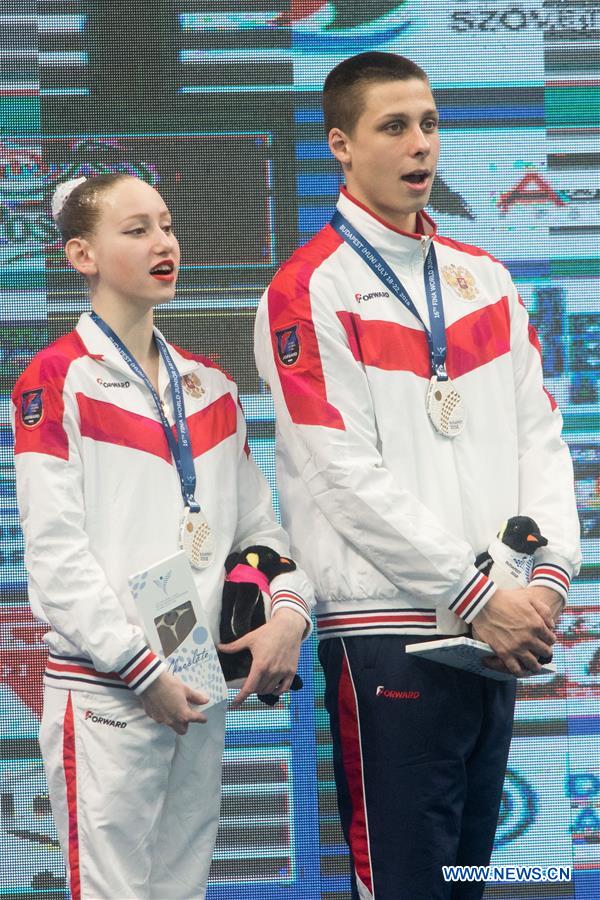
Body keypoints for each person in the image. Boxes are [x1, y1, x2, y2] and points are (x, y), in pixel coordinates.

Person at [254, 52, 581, 899]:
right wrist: (480, 594)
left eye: (430, 124)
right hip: (387, 630)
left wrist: (544, 581)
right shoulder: (307, 289)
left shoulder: (488, 281)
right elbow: (339, 473)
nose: (420, 144)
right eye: (394, 126)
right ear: (340, 145)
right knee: (406, 884)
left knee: (464, 882)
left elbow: (542, 442)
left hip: (496, 631)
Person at [12, 173, 313, 899]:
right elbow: (56, 557)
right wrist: (139, 669)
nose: (164, 243)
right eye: (137, 229)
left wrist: (288, 614)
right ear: (82, 255)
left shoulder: (212, 388)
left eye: (168, 226)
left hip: (197, 681)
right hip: (109, 687)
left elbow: (259, 531)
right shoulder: (56, 379)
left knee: (182, 890)